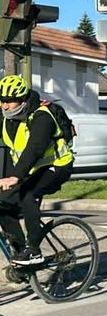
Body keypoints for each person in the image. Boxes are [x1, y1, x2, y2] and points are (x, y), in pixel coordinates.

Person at [0, 74, 75, 265]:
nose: (4, 106)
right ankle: (20, 256)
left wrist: (16, 176)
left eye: (9, 101)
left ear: (23, 100)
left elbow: (35, 148)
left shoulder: (42, 116)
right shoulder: (7, 120)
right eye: (2, 101)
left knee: (27, 194)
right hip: (31, 170)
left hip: (56, 166)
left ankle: (34, 251)